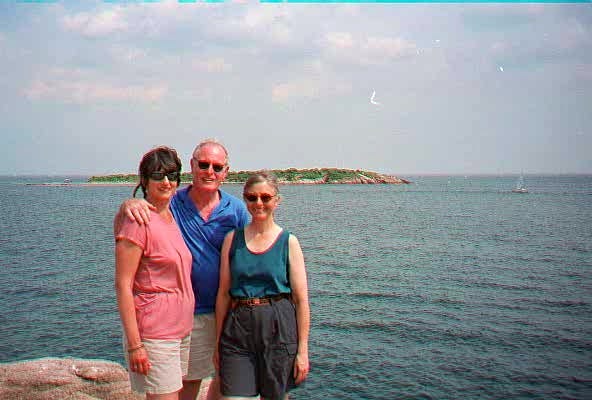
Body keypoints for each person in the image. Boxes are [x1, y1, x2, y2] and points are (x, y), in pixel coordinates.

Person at [116, 139, 249, 400]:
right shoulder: (171, 202)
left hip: (219, 313)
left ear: (226, 172)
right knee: (180, 387)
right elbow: (125, 264)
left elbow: (255, 247)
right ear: (193, 165)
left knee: (220, 379)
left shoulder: (235, 211)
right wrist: (127, 205)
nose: (210, 171)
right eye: (204, 164)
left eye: (217, 166)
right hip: (173, 322)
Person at [214, 172, 310, 400]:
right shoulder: (232, 239)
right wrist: (217, 343)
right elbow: (223, 295)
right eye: (252, 198)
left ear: (277, 200)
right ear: (245, 200)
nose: (259, 203)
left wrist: (303, 351)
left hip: (278, 329)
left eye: (265, 198)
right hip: (238, 331)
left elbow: (301, 300)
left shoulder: (289, 242)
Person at [114, 146, 195, 399]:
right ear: (145, 180)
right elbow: (123, 285)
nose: (167, 182)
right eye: (158, 176)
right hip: (155, 335)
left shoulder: (170, 216)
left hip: (180, 331)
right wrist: (136, 346)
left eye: (172, 175)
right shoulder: (137, 220)